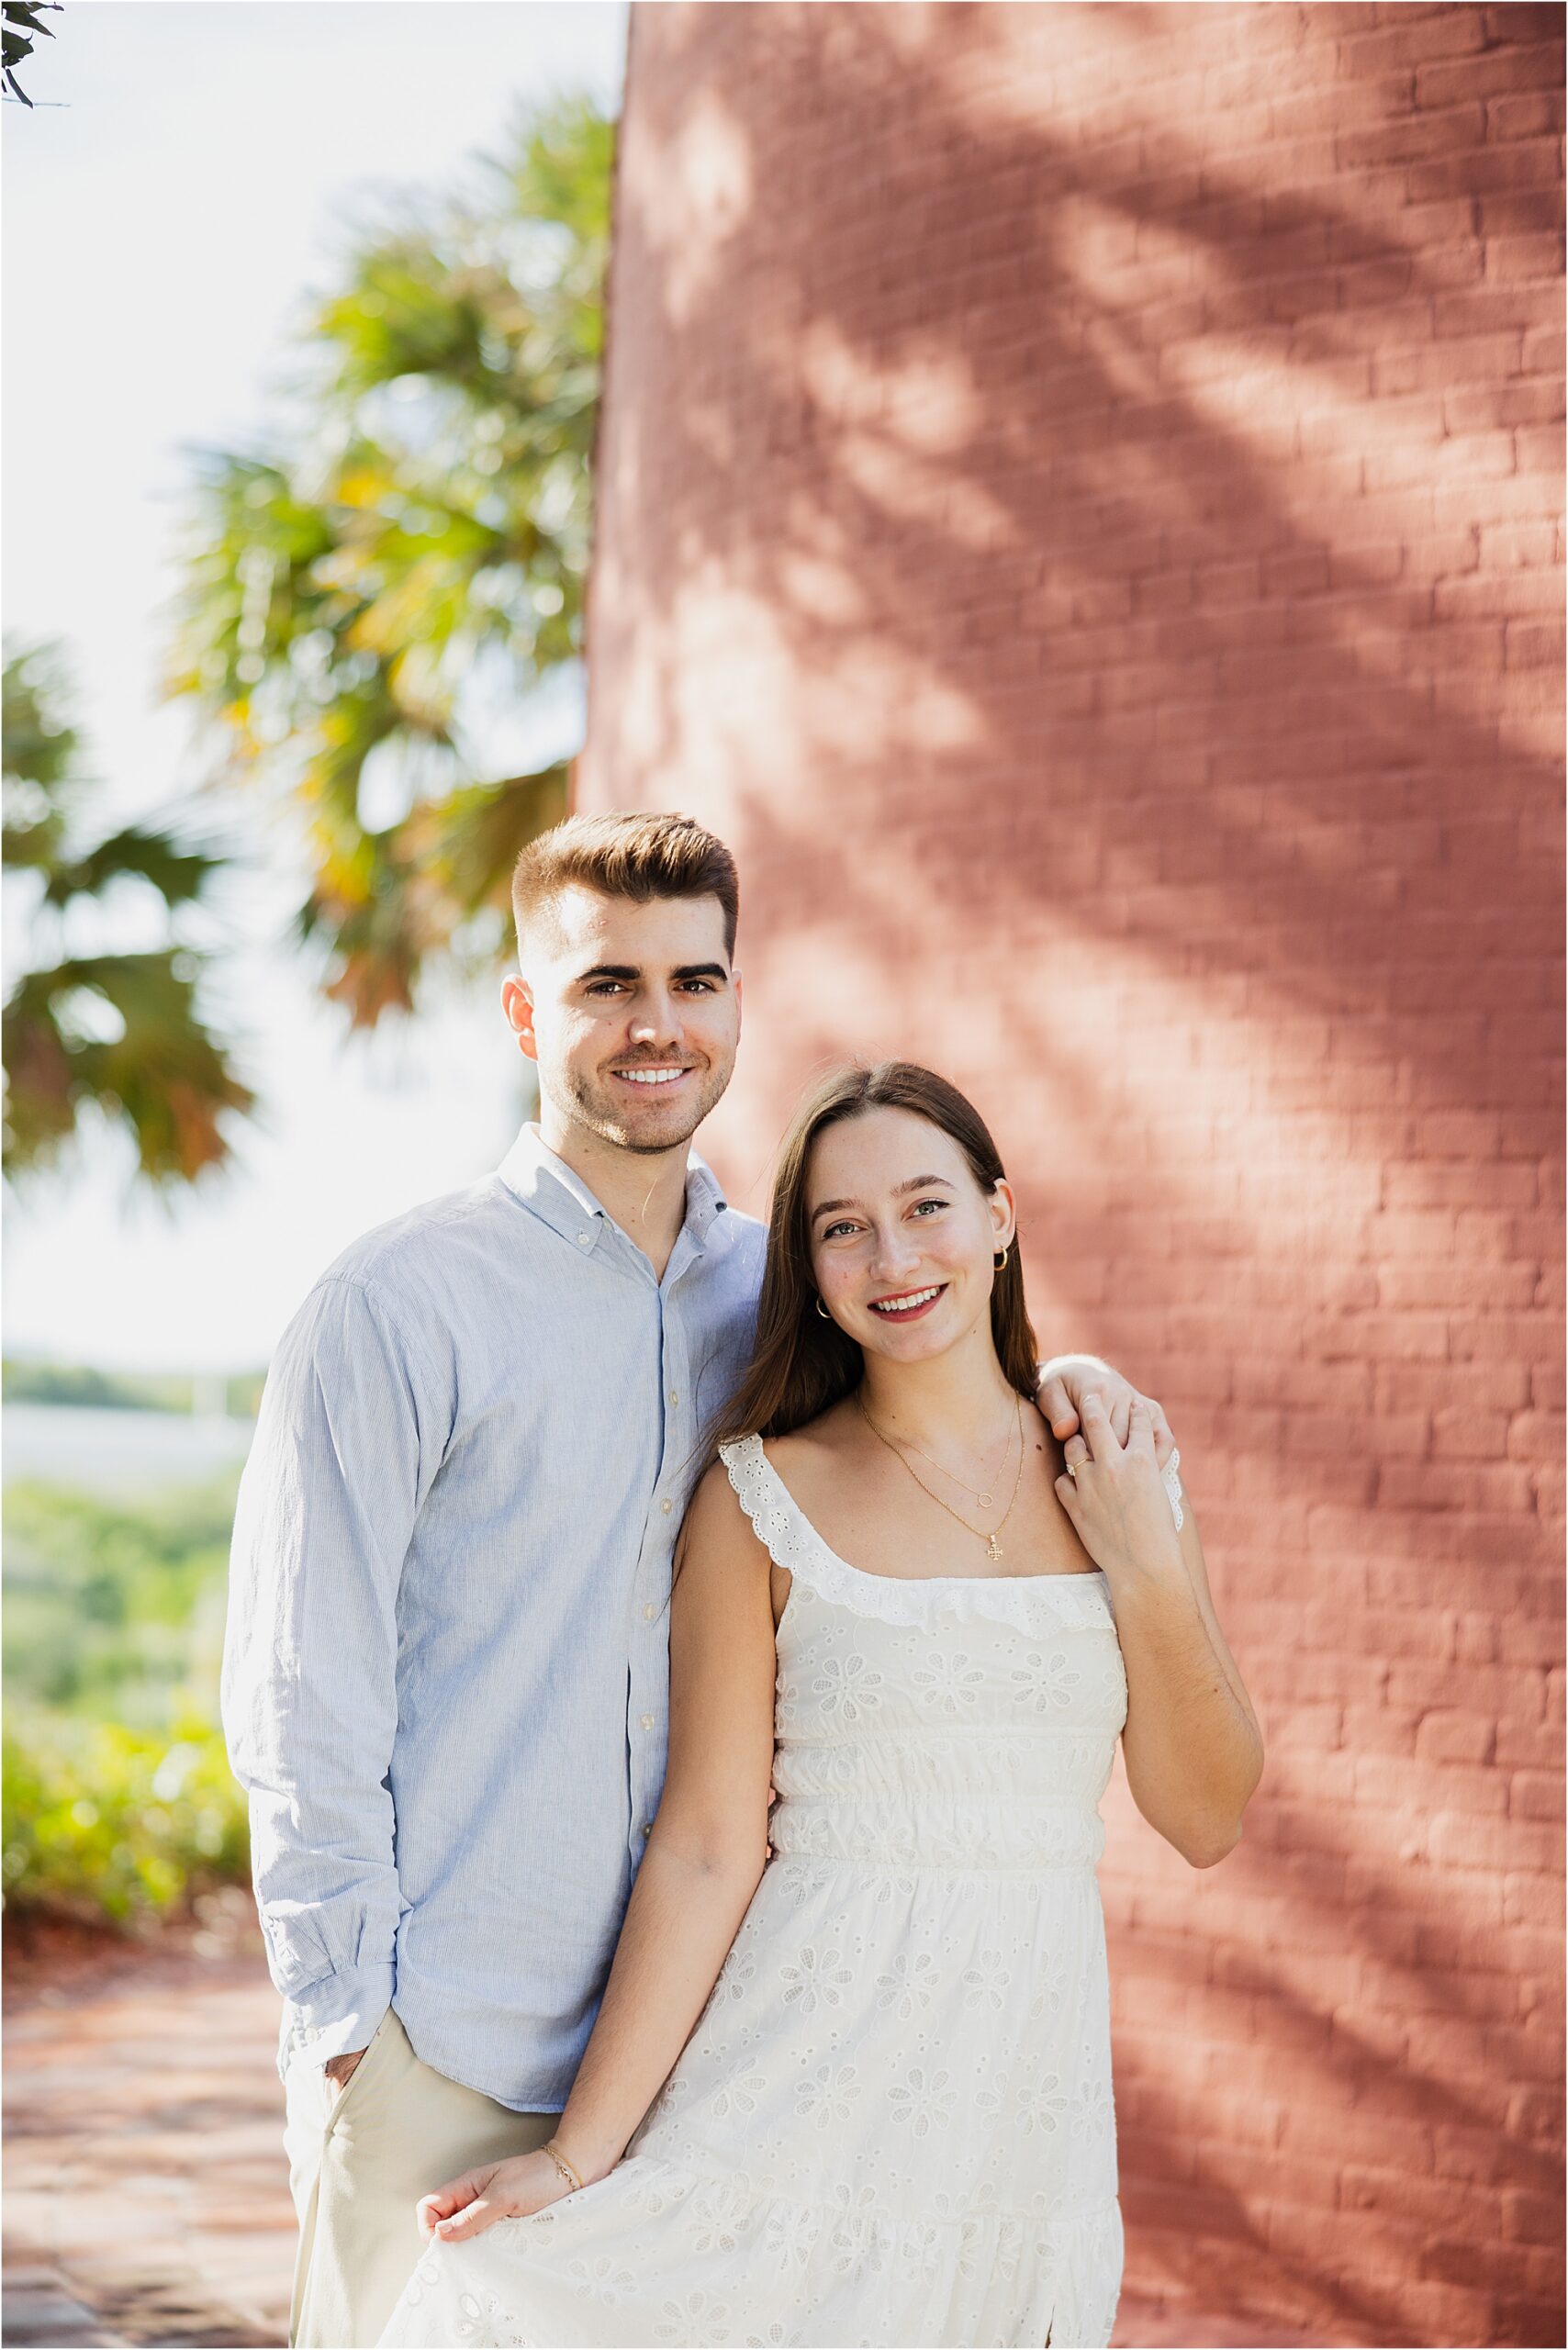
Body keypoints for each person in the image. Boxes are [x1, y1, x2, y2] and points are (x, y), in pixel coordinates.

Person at [221, 812, 1170, 2349]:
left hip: (723, 2062)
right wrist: (351, 2036)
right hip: (452, 2043)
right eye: (605, 985)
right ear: (530, 1013)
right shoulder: (397, 1307)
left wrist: (1070, 1374)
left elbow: (941, 1379)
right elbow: (296, 1698)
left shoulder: (786, 1287)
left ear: (737, 1003)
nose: (655, 1024)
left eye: (694, 980)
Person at [376, 1059, 1264, 2350]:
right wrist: (576, 2160)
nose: (891, 1254)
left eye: (926, 1207)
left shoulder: (1114, 1463)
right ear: (809, 1267)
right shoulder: (761, 1499)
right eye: (841, 1227)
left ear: (1000, 1219)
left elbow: (1206, 1814)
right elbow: (705, 1846)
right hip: (796, 2089)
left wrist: (1146, 1560)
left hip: (1021, 2121)